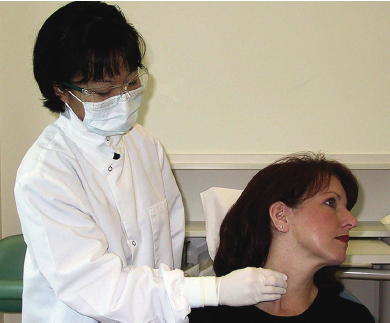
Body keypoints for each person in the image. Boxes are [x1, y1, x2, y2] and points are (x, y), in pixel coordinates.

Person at [14, 2, 287, 322]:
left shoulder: (144, 145)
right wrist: (211, 291)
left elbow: (167, 249)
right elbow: (95, 286)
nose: (123, 98)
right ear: (61, 90)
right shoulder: (45, 174)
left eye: (130, 83)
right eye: (103, 93)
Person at [189, 152, 375, 322]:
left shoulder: (353, 317)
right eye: (330, 202)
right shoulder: (204, 316)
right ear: (281, 215)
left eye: (347, 209)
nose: (352, 221)